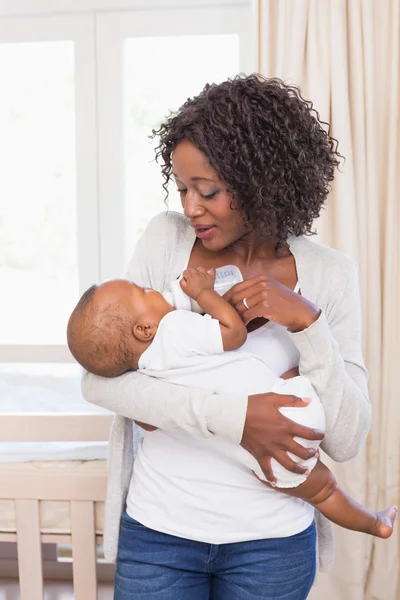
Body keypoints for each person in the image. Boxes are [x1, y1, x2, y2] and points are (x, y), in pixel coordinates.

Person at [81, 74, 373, 600]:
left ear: (262, 181)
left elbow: (346, 439)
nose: (190, 207)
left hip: (272, 546)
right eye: (183, 188)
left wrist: (308, 325)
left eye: (208, 191)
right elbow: (103, 383)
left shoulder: (330, 274)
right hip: (160, 534)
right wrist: (238, 419)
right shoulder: (166, 240)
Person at [67, 268, 397, 542]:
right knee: (324, 485)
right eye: (143, 291)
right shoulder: (173, 329)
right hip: (294, 410)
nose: (152, 288)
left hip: (263, 462)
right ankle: (373, 522)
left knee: (324, 492)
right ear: (144, 329)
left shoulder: (144, 369)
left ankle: (374, 523)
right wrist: (204, 293)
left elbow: (149, 420)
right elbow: (233, 333)